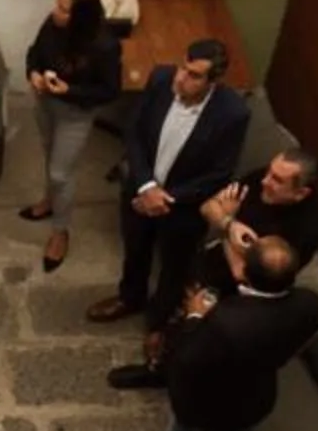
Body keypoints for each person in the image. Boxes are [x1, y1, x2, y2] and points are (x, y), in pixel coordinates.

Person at [139, 234, 318, 431]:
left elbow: (185, 360)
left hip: (208, 410)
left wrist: (195, 316)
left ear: (243, 272)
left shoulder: (225, 322)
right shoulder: (309, 304)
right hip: (255, 399)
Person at [111, 146, 318, 391]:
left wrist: (225, 231)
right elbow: (209, 207)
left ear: (300, 193)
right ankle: (160, 337)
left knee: (194, 334)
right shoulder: (260, 180)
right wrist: (228, 224)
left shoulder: (304, 230)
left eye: (277, 180)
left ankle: (163, 372)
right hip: (208, 262)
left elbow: (245, 276)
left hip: (232, 293)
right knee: (172, 290)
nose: (265, 181)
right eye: (269, 172)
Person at [89, 41, 251, 327]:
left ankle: (158, 319)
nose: (181, 78)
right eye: (182, 67)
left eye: (194, 75)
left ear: (213, 81)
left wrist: (166, 198)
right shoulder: (161, 79)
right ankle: (130, 297)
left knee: (176, 265)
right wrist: (146, 187)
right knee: (135, 249)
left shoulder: (232, 113)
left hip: (183, 206)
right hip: (140, 190)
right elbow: (135, 132)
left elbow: (220, 172)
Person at [18, 0, 123, 273]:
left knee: (61, 172)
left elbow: (110, 91)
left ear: (81, 17)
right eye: (58, 4)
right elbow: (34, 52)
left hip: (75, 113)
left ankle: (60, 231)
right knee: (50, 154)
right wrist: (33, 73)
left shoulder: (104, 45)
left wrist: (70, 91)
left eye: (64, 10)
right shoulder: (52, 25)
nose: (55, 12)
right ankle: (49, 201)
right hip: (45, 103)